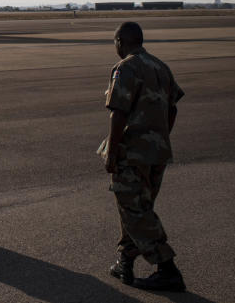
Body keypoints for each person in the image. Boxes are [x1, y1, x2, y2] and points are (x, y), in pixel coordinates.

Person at [102, 21, 186, 291]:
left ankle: (167, 269)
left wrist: (112, 152)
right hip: (157, 153)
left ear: (120, 42)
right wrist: (161, 138)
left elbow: (118, 112)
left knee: (136, 212)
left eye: (115, 42)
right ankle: (124, 261)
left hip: (132, 154)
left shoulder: (125, 68)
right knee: (137, 208)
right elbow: (172, 109)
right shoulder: (161, 67)